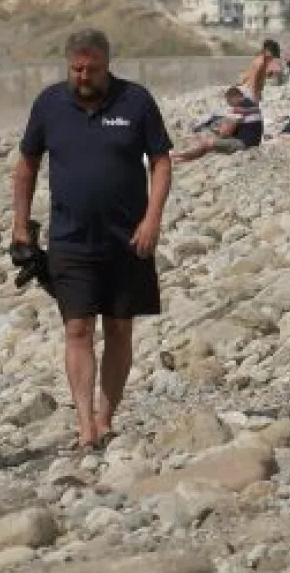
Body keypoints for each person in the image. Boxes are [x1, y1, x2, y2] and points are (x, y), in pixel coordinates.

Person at [11, 28, 172, 451]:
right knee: (78, 328)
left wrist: (153, 219)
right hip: (70, 240)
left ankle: (105, 417)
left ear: (107, 64)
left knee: (119, 328)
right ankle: (84, 425)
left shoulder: (135, 101)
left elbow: (160, 161)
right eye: (77, 69)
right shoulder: (49, 104)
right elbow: (27, 164)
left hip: (127, 239)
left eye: (92, 69)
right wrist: (20, 225)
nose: (84, 76)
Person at [173, 86, 264, 162]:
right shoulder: (252, 105)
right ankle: (182, 159)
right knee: (208, 145)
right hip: (254, 141)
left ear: (234, 97)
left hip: (244, 144)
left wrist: (218, 131)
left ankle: (178, 155)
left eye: (229, 102)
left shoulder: (239, 109)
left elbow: (225, 133)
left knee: (207, 143)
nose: (230, 105)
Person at [238, 39, 282, 103]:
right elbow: (254, 78)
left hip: (250, 90)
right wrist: (255, 93)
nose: (272, 58)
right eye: (273, 54)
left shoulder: (263, 61)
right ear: (267, 51)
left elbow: (260, 77)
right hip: (249, 90)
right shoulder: (260, 62)